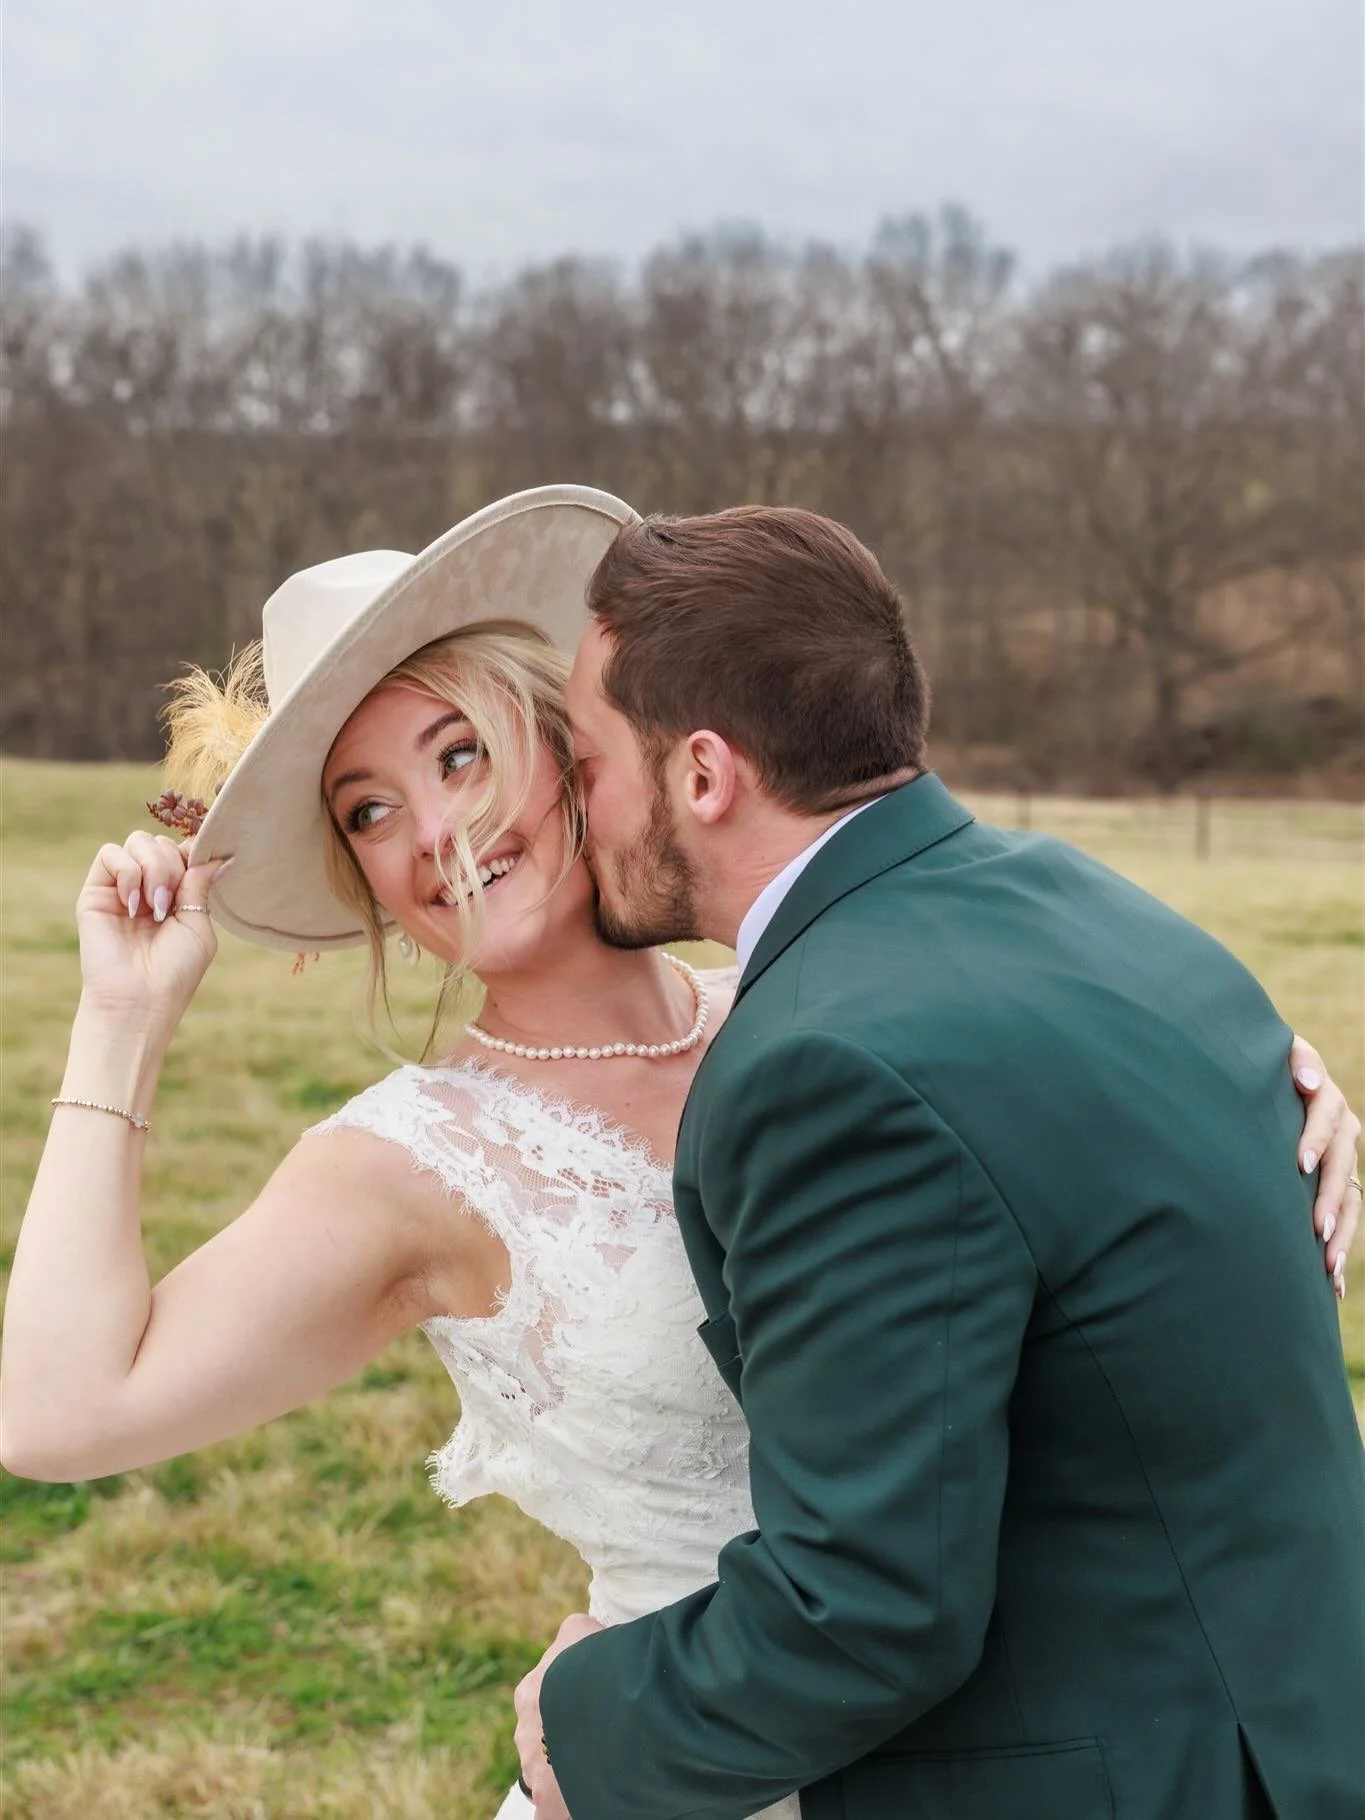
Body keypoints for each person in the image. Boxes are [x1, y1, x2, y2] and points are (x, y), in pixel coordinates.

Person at [0, 488, 1355, 1820]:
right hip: (678, 1761)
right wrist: (122, 1019)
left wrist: (1279, 1099)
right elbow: (56, 1417)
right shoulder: (411, 1161)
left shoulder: (816, 1021)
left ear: (582, 756)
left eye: (460, 754)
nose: (435, 834)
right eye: (368, 810)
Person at [505, 503, 1365, 1820]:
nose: (574, 802)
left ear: (703, 775)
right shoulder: (1092, 905)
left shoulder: (821, 1066)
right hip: (1291, 1720)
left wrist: (588, 1731)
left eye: (588, 758)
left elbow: (870, 1605)